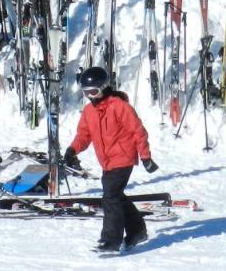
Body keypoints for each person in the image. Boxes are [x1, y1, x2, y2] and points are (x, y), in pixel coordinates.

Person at [63, 66, 157, 254]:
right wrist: (72, 149)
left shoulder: (119, 106)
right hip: (107, 161)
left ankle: (110, 241)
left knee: (110, 197)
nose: (91, 96)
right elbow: (84, 134)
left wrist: (145, 157)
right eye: (86, 92)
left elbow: (138, 131)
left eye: (94, 91)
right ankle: (137, 231)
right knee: (116, 196)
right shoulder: (89, 111)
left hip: (123, 157)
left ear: (104, 87)